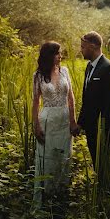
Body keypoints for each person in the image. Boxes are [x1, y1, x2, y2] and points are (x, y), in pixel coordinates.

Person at [32, 41, 77, 205]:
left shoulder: (65, 71)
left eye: (60, 53)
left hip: (64, 120)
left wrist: (73, 121)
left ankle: (61, 194)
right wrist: (36, 125)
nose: (60, 56)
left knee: (64, 156)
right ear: (49, 55)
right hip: (48, 120)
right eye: (57, 53)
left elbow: (71, 98)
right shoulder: (38, 75)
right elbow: (35, 102)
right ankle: (46, 196)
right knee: (48, 157)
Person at [75, 31, 110, 181]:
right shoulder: (89, 67)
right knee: (99, 167)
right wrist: (81, 123)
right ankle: (104, 196)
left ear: (93, 46)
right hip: (92, 128)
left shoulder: (109, 68)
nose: (81, 50)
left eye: (83, 47)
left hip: (106, 129)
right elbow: (87, 100)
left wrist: (103, 129)